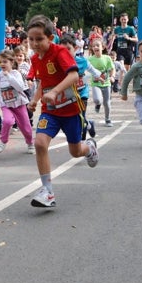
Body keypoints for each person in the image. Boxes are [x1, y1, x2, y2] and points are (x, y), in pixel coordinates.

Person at [26, 15, 99, 208]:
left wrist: (57, 91)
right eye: (31, 39)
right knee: (40, 143)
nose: (34, 44)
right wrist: (34, 100)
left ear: (50, 38)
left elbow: (74, 75)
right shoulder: (35, 59)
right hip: (49, 112)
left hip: (71, 111)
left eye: (39, 39)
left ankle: (89, 147)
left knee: (75, 151)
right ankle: (47, 191)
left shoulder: (60, 53)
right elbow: (43, 82)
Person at [0, 49, 34, 154]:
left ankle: (30, 143)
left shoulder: (16, 74)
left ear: (12, 62)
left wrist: (9, 76)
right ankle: (3, 141)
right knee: (7, 121)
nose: (2, 64)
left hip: (19, 104)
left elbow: (20, 87)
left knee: (26, 127)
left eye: (5, 62)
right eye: (0, 61)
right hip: (6, 104)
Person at [60, 33, 101, 140]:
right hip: (69, 94)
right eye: (62, 50)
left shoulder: (82, 61)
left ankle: (82, 140)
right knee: (76, 117)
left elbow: (92, 69)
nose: (65, 53)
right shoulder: (59, 63)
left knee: (80, 115)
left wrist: (99, 76)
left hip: (82, 93)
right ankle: (89, 124)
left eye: (68, 49)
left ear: (76, 48)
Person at [88, 39, 115, 127]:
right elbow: (84, 68)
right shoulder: (90, 59)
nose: (95, 47)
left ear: (102, 47)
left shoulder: (107, 58)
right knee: (97, 100)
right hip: (96, 83)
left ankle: (108, 119)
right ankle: (98, 104)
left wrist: (112, 77)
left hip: (106, 83)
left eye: (97, 45)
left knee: (107, 103)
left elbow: (112, 69)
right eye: (93, 46)